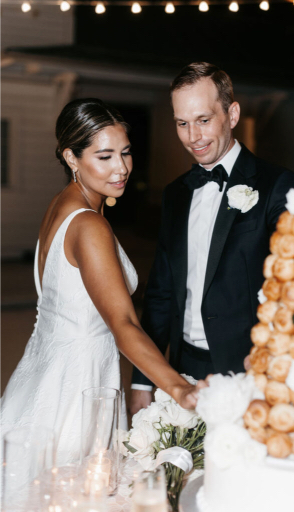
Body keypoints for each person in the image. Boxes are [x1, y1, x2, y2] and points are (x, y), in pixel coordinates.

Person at [1, 98, 205, 466]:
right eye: (105, 156)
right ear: (71, 158)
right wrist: (181, 389)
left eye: (125, 153)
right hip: (76, 391)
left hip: (41, 380)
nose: (121, 168)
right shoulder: (88, 225)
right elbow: (123, 324)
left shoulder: (60, 206)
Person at [130, 62, 294, 415]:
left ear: (232, 113)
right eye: (182, 123)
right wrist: (142, 380)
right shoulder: (175, 194)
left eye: (204, 120)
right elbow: (161, 294)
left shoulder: (278, 186)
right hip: (182, 372)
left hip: (251, 373)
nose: (193, 136)